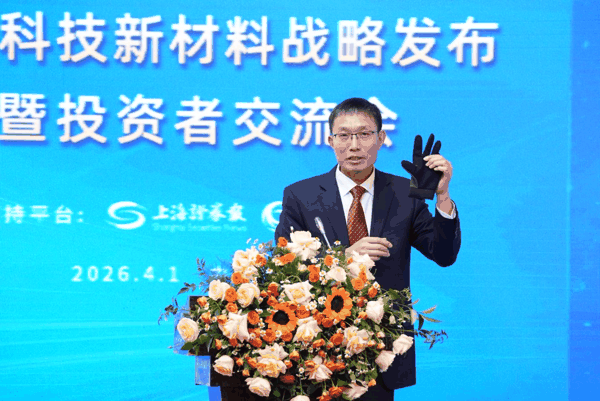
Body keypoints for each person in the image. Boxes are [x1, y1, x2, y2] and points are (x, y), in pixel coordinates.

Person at [274, 97, 461, 400]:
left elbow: (444, 254)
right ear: (330, 140)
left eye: (364, 134)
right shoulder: (301, 195)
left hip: (382, 349)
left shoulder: (405, 194)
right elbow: (284, 266)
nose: (354, 145)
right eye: (344, 135)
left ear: (381, 138)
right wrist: (342, 257)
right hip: (317, 348)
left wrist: (442, 196)